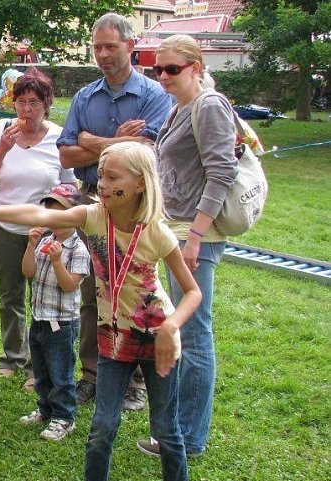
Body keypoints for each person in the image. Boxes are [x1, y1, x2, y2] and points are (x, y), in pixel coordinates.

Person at [0, 141, 202, 481]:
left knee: (166, 430)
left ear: (140, 183)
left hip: (156, 338)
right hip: (113, 339)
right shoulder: (92, 216)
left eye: (112, 178)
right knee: (102, 428)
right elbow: (42, 215)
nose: (102, 184)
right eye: (100, 176)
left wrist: (172, 326)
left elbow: (193, 292)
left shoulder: (156, 233)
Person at [57, 12, 171, 410]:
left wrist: (91, 140)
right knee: (92, 291)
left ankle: (136, 381)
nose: (103, 54)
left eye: (111, 46)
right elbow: (67, 154)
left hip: (136, 208)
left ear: (130, 45)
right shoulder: (85, 97)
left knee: (136, 290)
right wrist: (111, 141)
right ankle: (93, 373)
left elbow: (147, 153)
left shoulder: (155, 96)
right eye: (97, 47)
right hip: (92, 197)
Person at [135, 34, 238, 459]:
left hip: (196, 235)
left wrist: (195, 235)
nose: (162, 77)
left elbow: (222, 173)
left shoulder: (209, 105)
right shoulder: (181, 106)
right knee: (183, 331)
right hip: (175, 228)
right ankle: (176, 430)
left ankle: (188, 439)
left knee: (193, 335)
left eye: (172, 69)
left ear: (196, 66)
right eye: (156, 69)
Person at [0, 67, 75, 391]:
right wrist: (2, 147)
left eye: (34, 102)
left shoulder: (59, 137)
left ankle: (36, 366)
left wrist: (54, 220)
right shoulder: (1, 130)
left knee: (43, 299)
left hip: (43, 230)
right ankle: (12, 357)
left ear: (46, 104)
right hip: (3, 226)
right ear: (12, 103)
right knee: (9, 295)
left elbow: (69, 187)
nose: (26, 110)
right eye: (21, 102)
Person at [18, 184, 90, 441]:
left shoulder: (77, 249)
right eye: (50, 213)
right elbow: (28, 272)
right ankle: (45, 408)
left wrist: (58, 261)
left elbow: (70, 285)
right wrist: (30, 246)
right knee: (42, 370)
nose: (54, 219)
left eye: (61, 213)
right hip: (39, 317)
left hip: (61, 323)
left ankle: (64, 417)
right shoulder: (45, 242)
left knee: (61, 372)